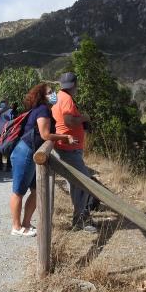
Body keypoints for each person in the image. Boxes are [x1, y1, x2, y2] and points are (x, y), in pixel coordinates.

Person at [10, 83, 77, 237]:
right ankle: (16, 226)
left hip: (30, 152)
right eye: (49, 92)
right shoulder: (42, 110)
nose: (53, 94)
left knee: (35, 191)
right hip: (25, 152)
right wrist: (65, 138)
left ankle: (26, 223)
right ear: (42, 95)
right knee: (18, 191)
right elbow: (45, 134)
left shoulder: (43, 110)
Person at [52, 72, 97, 233]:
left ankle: (81, 216)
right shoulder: (67, 99)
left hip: (65, 146)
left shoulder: (58, 96)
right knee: (85, 182)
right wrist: (84, 118)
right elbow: (69, 121)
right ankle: (79, 221)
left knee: (75, 183)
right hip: (69, 148)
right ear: (75, 85)